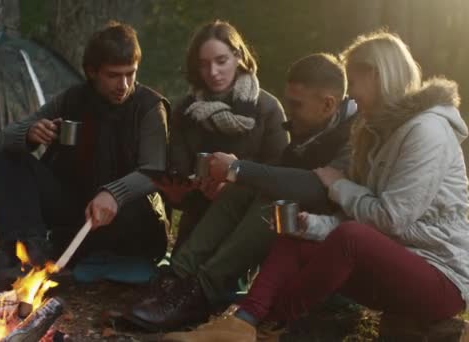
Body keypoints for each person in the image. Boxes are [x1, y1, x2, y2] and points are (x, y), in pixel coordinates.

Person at [162, 31, 469, 342]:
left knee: (350, 236)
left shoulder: (426, 131)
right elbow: (367, 216)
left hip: (440, 279)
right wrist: (316, 225)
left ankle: (273, 323)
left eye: (353, 81)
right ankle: (241, 324)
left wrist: (338, 185)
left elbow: (390, 219)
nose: (349, 94)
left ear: (377, 76)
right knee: (297, 232)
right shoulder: (375, 132)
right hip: (392, 264)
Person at [126, 53, 357, 331]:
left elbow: (318, 189)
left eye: (296, 104)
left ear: (328, 104)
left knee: (272, 199)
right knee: (247, 188)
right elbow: (279, 173)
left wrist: (238, 168)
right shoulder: (312, 126)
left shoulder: (354, 136)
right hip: (306, 215)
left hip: (338, 229)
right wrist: (235, 177)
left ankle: (201, 292)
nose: (289, 109)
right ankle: (177, 276)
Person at [0, 22, 169, 274]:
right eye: (113, 75)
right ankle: (25, 253)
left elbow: (155, 171)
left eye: (130, 73)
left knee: (137, 209)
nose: (124, 84)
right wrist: (30, 134)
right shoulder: (73, 99)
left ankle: (78, 250)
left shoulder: (150, 107)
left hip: (130, 219)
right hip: (76, 212)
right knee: (11, 159)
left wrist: (114, 194)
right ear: (92, 71)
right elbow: (4, 139)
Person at [160, 20, 288, 251]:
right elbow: (177, 171)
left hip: (246, 225)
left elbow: (280, 174)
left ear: (238, 56)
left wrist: (234, 185)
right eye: (203, 64)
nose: (213, 72)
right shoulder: (185, 110)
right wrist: (182, 191)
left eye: (221, 61)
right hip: (197, 220)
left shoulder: (267, 108)